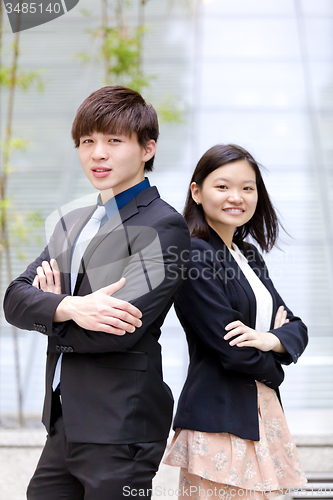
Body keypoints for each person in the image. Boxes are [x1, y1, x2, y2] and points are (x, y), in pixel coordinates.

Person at [3, 85, 190, 500]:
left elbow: (118, 328)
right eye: (87, 141)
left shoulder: (164, 226)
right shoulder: (74, 222)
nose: (97, 153)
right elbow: (13, 300)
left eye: (113, 141)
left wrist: (52, 311)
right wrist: (71, 306)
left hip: (121, 426)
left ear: (147, 149)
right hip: (64, 422)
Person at [163, 144, 308, 499]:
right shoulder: (194, 253)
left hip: (261, 413)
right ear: (196, 192)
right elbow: (233, 351)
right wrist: (276, 369)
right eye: (222, 186)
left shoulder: (248, 255)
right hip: (219, 418)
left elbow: (297, 327)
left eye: (247, 187)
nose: (237, 197)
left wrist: (270, 339)